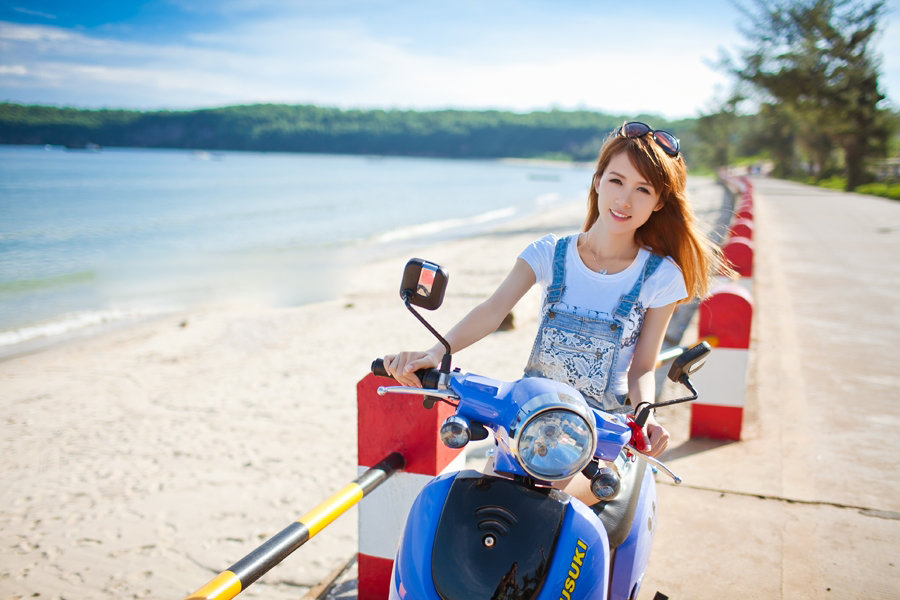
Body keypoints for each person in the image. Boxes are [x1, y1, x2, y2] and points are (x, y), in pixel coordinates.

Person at [383, 121, 731, 506]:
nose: (625, 200)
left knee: (552, 515)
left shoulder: (661, 276)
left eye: (643, 190)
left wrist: (645, 419)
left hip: (600, 435)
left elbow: (643, 367)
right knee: (478, 505)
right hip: (527, 423)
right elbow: (493, 311)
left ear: (659, 202)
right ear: (597, 181)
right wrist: (436, 353)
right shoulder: (550, 253)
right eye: (616, 181)